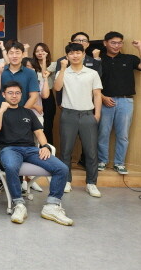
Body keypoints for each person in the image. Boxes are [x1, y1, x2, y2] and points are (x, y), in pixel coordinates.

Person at [0, 81, 73, 226]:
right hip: (9, 149)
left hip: (31, 149)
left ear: (21, 95)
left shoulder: (27, 112)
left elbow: (39, 132)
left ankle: (52, 206)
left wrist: (45, 146)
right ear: (3, 95)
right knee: (10, 166)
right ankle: (19, 204)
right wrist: (2, 111)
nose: (14, 96)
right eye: (10, 93)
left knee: (62, 168)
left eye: (17, 93)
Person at [54, 43, 102, 197]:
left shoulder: (92, 73)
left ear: (83, 54)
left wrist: (97, 115)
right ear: (67, 56)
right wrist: (62, 69)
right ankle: (66, 180)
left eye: (78, 53)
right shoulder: (63, 72)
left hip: (88, 115)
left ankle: (91, 183)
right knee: (66, 150)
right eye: (71, 53)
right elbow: (57, 88)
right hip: (68, 114)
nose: (75, 56)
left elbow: (97, 95)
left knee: (91, 151)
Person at [98, 32, 141, 174]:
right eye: (113, 42)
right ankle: (102, 161)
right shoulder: (99, 59)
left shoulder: (129, 58)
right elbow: (92, 82)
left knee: (123, 134)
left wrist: (140, 48)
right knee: (103, 133)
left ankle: (119, 163)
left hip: (125, 101)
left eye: (120, 43)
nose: (117, 45)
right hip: (105, 100)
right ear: (105, 43)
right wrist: (103, 97)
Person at [0, 41, 40, 113]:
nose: (14, 56)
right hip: (0, 112)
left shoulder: (31, 73)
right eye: (11, 53)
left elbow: (34, 96)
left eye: (17, 53)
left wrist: (22, 112)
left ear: (23, 55)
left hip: (23, 112)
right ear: (7, 55)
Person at [31, 43, 57, 144]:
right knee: (34, 125)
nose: (40, 53)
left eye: (42, 50)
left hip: (47, 97)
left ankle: (48, 150)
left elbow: (44, 74)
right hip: (34, 97)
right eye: (37, 51)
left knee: (47, 126)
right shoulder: (32, 65)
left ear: (47, 51)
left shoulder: (53, 64)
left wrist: (44, 60)